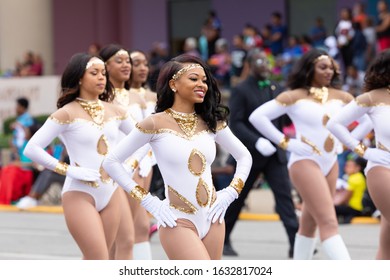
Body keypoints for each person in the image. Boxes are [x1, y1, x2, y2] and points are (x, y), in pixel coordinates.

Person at [102, 54, 252, 260]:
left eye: (204, 80)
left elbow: (244, 156)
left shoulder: (211, 121)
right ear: (173, 84)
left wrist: (231, 193)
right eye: (194, 79)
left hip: (214, 219)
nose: (202, 85)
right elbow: (111, 162)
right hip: (177, 221)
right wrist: (148, 202)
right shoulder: (154, 123)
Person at [23, 53, 136, 260]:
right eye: (94, 73)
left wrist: (130, 165)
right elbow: (32, 148)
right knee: (97, 258)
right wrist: (69, 169)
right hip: (79, 193)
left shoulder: (117, 111)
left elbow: (143, 140)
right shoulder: (66, 113)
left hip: (111, 193)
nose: (102, 77)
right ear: (79, 78)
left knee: (102, 259)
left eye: (103, 73)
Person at [249, 49, 352, 260]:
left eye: (332, 67)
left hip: (331, 162)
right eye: (323, 67)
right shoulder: (293, 96)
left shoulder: (343, 96)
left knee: (309, 223)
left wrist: (348, 142)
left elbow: (368, 117)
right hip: (304, 162)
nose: (329, 71)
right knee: (329, 222)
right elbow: (257, 117)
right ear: (309, 68)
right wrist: (286, 143)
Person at [223, 48, 299, 258]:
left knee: (285, 199)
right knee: (237, 199)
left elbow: (284, 120)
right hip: (250, 154)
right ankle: (222, 239)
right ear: (249, 65)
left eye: (266, 61)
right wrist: (256, 141)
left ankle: (296, 243)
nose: (264, 65)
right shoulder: (241, 89)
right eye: (258, 61)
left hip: (275, 155)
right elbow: (235, 122)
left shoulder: (278, 88)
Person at [326, 49, 390, 259]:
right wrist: (364, 150)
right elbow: (335, 124)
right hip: (383, 167)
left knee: (386, 247)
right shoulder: (372, 97)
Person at [99, 44, 136, 260]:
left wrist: (134, 164)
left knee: (130, 235)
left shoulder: (138, 97)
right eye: (119, 60)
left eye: (127, 60)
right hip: (108, 173)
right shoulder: (98, 101)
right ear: (105, 66)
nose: (126, 65)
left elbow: (144, 136)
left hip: (135, 168)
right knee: (113, 240)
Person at [334, 155, 367, 224]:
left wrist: (334, 204)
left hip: (354, 208)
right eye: (346, 166)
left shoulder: (354, 178)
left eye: (349, 166)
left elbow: (346, 198)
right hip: (357, 208)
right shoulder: (359, 177)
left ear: (357, 168)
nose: (346, 168)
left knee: (332, 208)